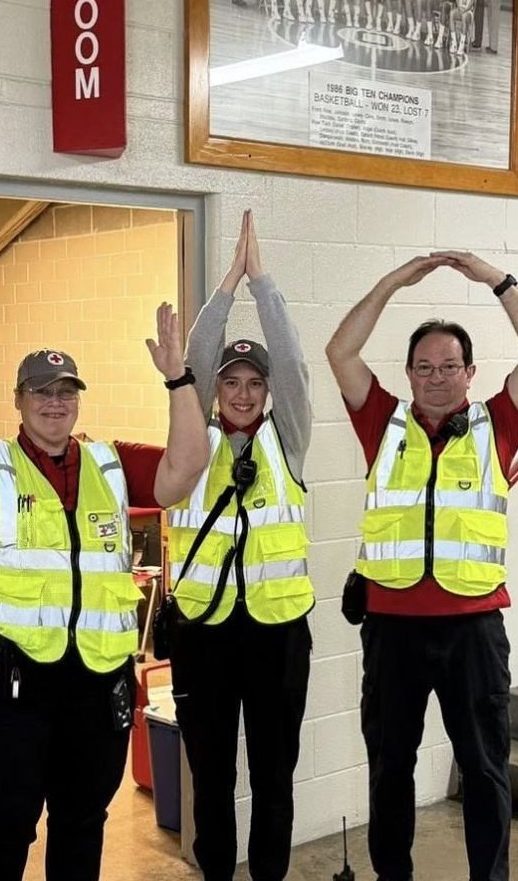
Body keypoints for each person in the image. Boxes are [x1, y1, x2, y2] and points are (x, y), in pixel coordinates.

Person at [0, 305, 209, 881]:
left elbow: (187, 467)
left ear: (78, 400)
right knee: (6, 821)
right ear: (20, 402)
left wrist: (178, 378)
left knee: (82, 820)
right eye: (40, 392)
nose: (55, 402)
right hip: (11, 682)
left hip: (96, 684)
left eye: (66, 392)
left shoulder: (111, 463)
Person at [325, 251, 518, 881]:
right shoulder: (382, 422)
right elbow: (341, 352)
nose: (435, 377)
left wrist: (495, 281)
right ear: (408, 374)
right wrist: (393, 281)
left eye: (448, 367)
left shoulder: (498, 424)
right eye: (424, 368)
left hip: (474, 628)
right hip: (392, 627)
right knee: (390, 768)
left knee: (485, 769)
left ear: (469, 372)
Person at [169, 210, 313, 881]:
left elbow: (292, 363)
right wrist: (227, 282)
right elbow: (196, 359)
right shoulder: (193, 442)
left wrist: (265, 285)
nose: (246, 393)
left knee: (275, 774)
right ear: (216, 390)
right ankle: (217, 874)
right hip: (204, 634)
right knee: (213, 773)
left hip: (278, 633)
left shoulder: (289, 439)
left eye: (256, 384)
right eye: (232, 382)